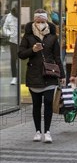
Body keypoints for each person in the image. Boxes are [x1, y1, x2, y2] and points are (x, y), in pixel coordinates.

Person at [18, 9, 65, 143]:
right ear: (34, 21)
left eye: (42, 21)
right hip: (34, 75)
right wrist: (32, 50)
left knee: (49, 103)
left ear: (46, 22)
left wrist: (62, 75)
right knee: (37, 105)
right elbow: (21, 54)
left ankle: (48, 131)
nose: (40, 24)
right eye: (37, 21)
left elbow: (57, 57)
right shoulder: (28, 36)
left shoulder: (52, 37)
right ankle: (38, 131)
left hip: (49, 74)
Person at [2, 7, 19, 85]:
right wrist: (9, 33)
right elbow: (4, 27)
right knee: (13, 59)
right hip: (13, 41)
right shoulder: (9, 16)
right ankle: (14, 77)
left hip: (24, 41)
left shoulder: (24, 13)